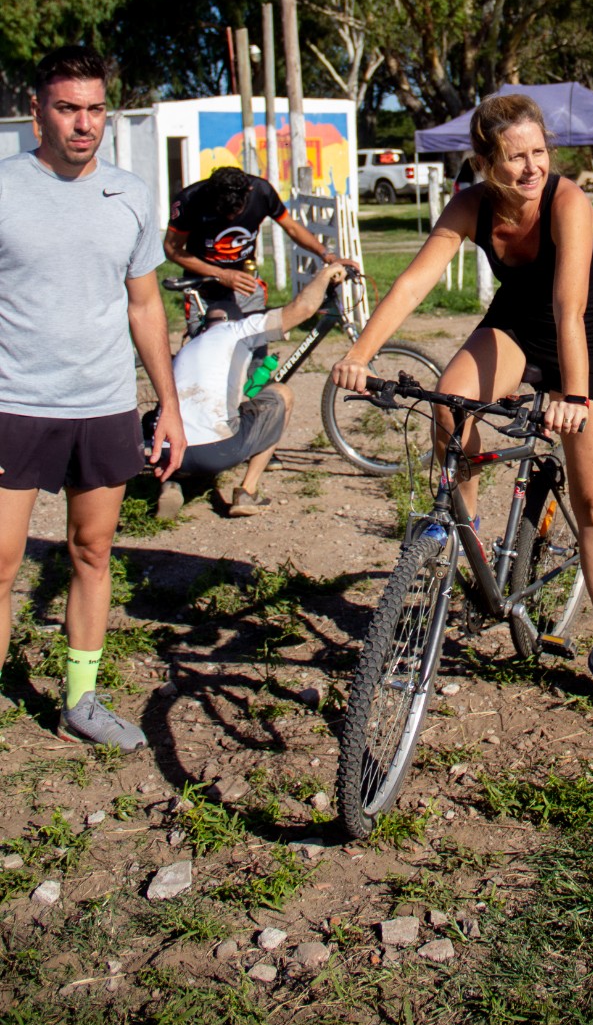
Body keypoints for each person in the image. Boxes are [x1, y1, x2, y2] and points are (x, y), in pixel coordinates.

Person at [332, 92, 593, 720]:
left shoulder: (568, 204)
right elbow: (415, 281)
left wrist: (572, 395)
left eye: (538, 153)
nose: (530, 168)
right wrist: (360, 355)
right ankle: (462, 541)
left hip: (582, 333)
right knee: (450, 407)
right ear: (484, 162)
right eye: (513, 158)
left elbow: (568, 308)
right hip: (513, 327)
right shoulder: (471, 205)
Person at [0, 46, 186, 749]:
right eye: (68, 108)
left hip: (102, 404)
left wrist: (167, 404)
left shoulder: (131, 193)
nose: (84, 124)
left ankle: (80, 699)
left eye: (95, 109)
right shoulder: (5, 187)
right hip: (13, 401)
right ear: (36, 113)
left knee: (92, 550)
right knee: (3, 561)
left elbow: (144, 307)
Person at [164, 261, 347, 516]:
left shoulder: (188, 346)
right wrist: (326, 273)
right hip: (217, 450)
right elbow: (303, 308)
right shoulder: (239, 330)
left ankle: (171, 483)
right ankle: (247, 491)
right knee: (283, 393)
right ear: (235, 318)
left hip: (169, 450)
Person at [164, 166, 350, 322]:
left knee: (254, 350)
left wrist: (326, 254)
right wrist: (220, 274)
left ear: (249, 193)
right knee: (207, 351)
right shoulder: (189, 200)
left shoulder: (261, 191)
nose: (230, 217)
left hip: (246, 281)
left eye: (237, 211)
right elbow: (171, 249)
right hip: (203, 285)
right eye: (223, 212)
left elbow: (292, 228)